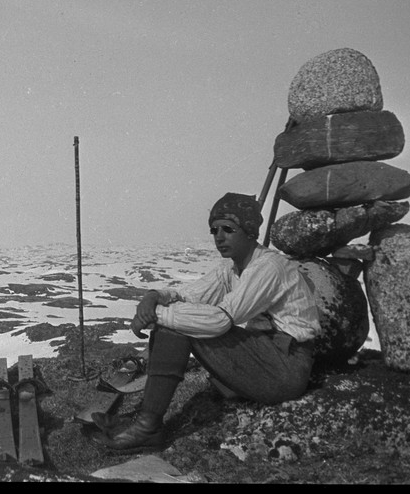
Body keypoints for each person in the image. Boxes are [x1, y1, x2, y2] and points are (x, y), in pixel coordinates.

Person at [94, 192, 321, 452]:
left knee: (176, 324)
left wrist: (156, 315)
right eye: (214, 230)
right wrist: (154, 296)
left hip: (285, 368)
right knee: (178, 319)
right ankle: (146, 421)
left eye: (228, 229)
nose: (219, 237)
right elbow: (189, 295)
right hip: (265, 355)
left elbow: (221, 321)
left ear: (249, 232)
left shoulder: (269, 267)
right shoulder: (232, 268)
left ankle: (147, 428)